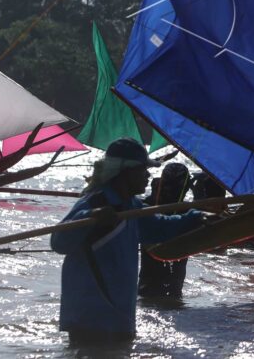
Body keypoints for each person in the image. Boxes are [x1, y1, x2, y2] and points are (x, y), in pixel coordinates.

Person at [50, 138, 206, 346]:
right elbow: (58, 242)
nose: (148, 176)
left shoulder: (131, 206)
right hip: (90, 320)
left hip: (119, 319)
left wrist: (194, 217)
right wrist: (91, 217)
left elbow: (159, 227)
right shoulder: (96, 201)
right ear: (125, 172)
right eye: (143, 170)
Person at [138, 163, 193, 299]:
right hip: (149, 283)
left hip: (167, 283)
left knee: (170, 293)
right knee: (155, 292)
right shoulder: (149, 206)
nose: (171, 191)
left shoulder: (186, 211)